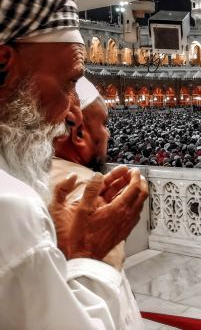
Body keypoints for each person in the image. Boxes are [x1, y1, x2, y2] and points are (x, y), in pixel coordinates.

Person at [0, 0, 147, 329]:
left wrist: (59, 251)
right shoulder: (11, 209)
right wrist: (86, 255)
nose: (70, 110)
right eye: (68, 84)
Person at [51, 76, 143, 329]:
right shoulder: (84, 187)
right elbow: (98, 306)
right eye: (103, 123)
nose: (108, 132)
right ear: (79, 133)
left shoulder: (24, 175)